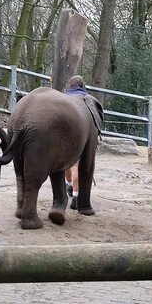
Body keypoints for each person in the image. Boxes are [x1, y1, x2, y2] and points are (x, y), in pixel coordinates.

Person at [63, 75, 88, 209]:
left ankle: (69, 185)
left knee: (67, 163)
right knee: (76, 166)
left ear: (70, 86)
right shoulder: (86, 99)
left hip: (64, 135)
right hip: (80, 134)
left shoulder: (63, 98)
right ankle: (76, 197)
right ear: (82, 86)